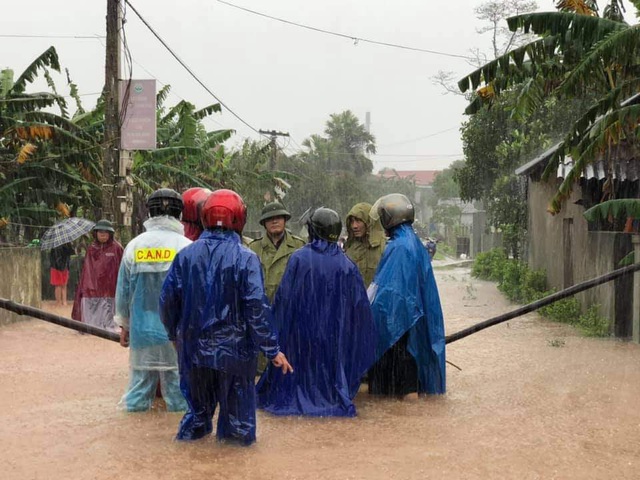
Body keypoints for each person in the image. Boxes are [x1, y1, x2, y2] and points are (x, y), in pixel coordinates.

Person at [160, 189, 293, 445]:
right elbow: (256, 306)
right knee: (238, 427)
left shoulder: (186, 256)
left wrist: (174, 334)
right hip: (236, 353)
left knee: (197, 417)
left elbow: (167, 301)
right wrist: (272, 348)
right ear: (240, 218)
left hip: (194, 351)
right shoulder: (247, 258)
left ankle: (187, 466)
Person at [257, 207, 377, 417]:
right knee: (329, 383)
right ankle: (328, 400)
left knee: (295, 383)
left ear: (313, 230)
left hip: (300, 339)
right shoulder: (347, 265)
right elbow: (360, 312)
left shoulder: (299, 258)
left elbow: (283, 301)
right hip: (332, 339)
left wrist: (274, 334)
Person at [114, 188, 191, 412]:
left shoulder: (135, 246)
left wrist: (125, 327)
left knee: (138, 391)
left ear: (149, 212)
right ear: (180, 214)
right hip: (175, 334)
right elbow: (195, 295)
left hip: (142, 330)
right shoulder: (186, 247)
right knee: (179, 397)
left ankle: (131, 440)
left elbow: (123, 293)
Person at [367, 193, 446, 397]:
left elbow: (387, 292)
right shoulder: (414, 243)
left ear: (389, 218)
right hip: (411, 326)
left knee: (390, 393)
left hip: (399, 331)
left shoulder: (399, 247)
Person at [249, 201, 305, 302]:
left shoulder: (299, 246)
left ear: (284, 220)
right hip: (263, 310)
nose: (274, 221)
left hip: (290, 309)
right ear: (264, 223)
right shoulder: (253, 248)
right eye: (270, 218)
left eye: (278, 217)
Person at [71, 220, 123, 330]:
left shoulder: (117, 248)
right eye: (100, 232)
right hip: (92, 289)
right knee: (92, 313)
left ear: (110, 234)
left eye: (105, 233)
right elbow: (87, 269)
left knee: (110, 312)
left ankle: (109, 328)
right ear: (96, 234)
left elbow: (122, 267)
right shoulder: (91, 249)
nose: (103, 235)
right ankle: (92, 328)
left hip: (111, 288)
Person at [344, 202, 386, 287]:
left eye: (359, 221)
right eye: (351, 222)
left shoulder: (385, 247)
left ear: (369, 222)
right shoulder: (349, 248)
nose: (354, 226)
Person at [49, 242, 75, 307]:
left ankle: (59, 302)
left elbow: (53, 257)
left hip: (57, 267)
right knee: (63, 285)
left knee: (59, 285)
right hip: (64, 266)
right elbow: (72, 252)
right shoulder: (67, 243)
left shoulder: (55, 244)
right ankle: (63, 302)